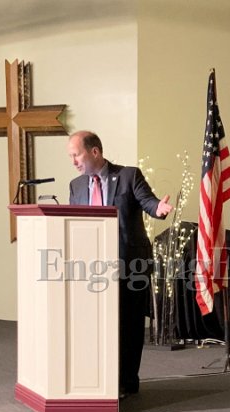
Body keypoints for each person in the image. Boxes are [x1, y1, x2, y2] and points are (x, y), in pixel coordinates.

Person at [67, 131, 172, 397]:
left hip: (130, 264)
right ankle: (97, 380)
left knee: (129, 325)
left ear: (94, 152)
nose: (73, 162)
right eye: (70, 156)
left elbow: (148, 201)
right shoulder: (75, 186)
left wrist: (158, 208)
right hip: (90, 269)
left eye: (76, 155)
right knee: (94, 326)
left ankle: (126, 381)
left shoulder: (128, 176)